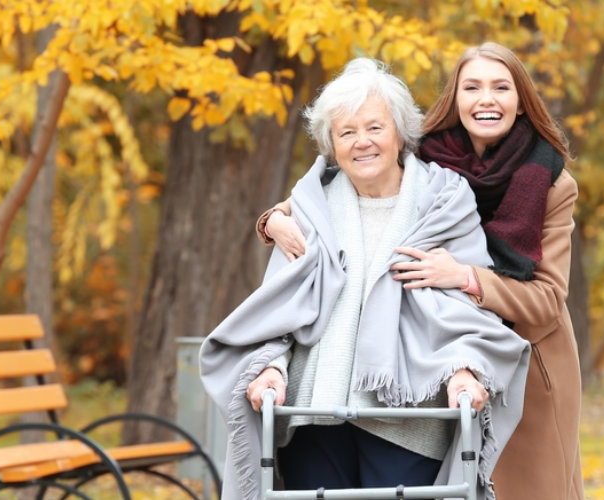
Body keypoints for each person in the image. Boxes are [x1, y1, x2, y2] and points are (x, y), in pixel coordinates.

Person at [256, 42, 584, 499]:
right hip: (427, 359)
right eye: (472, 86)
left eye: (500, 87)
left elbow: (547, 301)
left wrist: (465, 277)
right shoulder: (432, 158)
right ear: (455, 98)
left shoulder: (547, 178)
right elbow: (339, 181)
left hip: (522, 351)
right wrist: (273, 219)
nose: (485, 99)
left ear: (521, 99)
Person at [201, 57, 531, 500]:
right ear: (331, 145)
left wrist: (465, 371)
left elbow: (465, 313)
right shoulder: (304, 213)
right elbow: (276, 314)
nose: (362, 143)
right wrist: (269, 369)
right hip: (311, 416)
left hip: (410, 419)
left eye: (374, 128)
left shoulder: (445, 203)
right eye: (347, 132)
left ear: (400, 133)